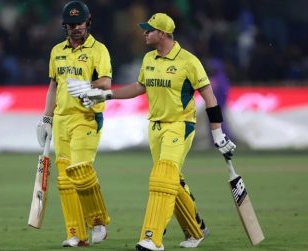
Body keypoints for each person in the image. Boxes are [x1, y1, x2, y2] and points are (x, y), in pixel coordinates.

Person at [72, 13, 236, 250]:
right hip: (155, 127)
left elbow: (210, 98)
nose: (144, 33)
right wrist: (106, 94)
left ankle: (152, 238)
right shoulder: (149, 58)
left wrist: (218, 134)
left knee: (161, 179)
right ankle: (196, 230)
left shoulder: (189, 61)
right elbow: (139, 87)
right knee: (171, 180)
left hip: (179, 126)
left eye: (149, 30)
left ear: (163, 33)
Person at [35, 1, 112, 247]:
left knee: (80, 169)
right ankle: (77, 234)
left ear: (88, 22)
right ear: (64, 26)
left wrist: (89, 86)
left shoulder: (98, 49)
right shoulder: (57, 50)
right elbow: (53, 86)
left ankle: (98, 220)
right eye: (70, 25)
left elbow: (107, 82)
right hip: (61, 119)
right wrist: (47, 117)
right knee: (66, 179)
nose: (75, 28)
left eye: (79, 23)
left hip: (87, 117)